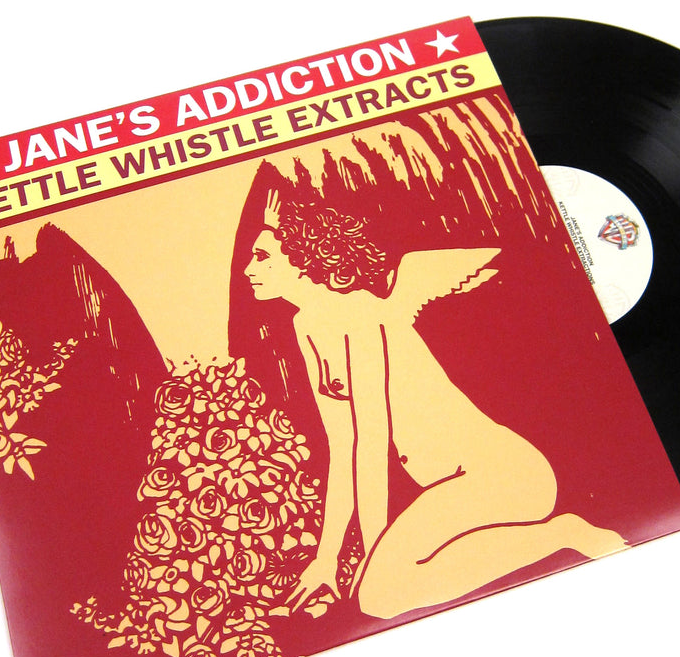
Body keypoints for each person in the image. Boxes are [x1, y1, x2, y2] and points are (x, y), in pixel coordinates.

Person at [244, 190, 627, 620]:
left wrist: (372, 552)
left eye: (262, 256)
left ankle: (562, 534)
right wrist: (326, 558)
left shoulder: (361, 314)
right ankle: (555, 537)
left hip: (504, 475)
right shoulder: (307, 324)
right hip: (460, 486)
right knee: (383, 592)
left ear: (301, 257)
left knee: (379, 595)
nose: (248, 268)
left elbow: (372, 442)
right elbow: (344, 447)